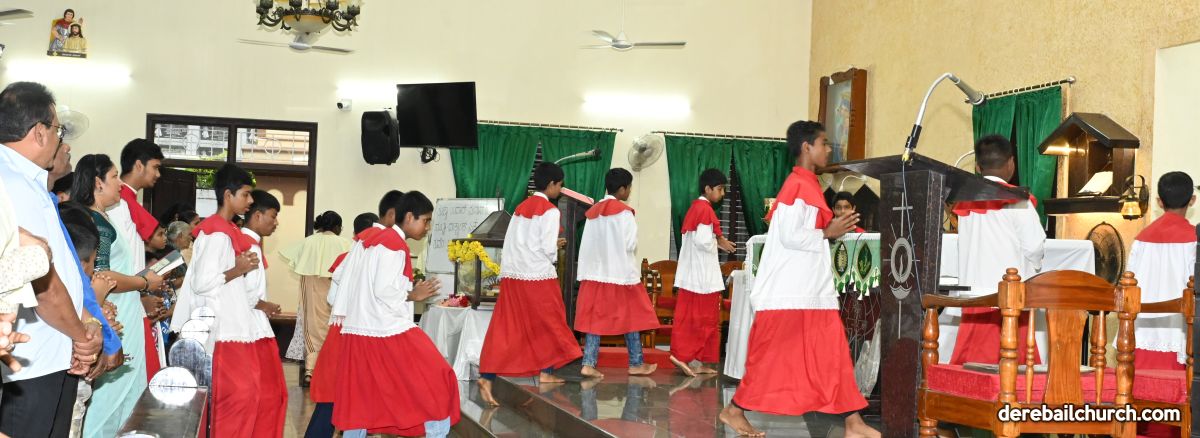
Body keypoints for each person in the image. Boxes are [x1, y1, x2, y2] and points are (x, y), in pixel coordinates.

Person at [719, 120, 877, 438]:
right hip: (786, 294)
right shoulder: (798, 185)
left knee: (834, 354)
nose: (828, 149)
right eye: (824, 143)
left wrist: (829, 232)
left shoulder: (807, 184)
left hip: (810, 292)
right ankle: (734, 410)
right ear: (807, 147)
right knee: (770, 358)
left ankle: (853, 422)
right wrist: (828, 232)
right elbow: (791, 235)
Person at [0, 81, 103, 437]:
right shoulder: (12, 183)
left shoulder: (28, 180)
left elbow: (63, 270)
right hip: (31, 362)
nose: (60, 139)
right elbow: (41, 282)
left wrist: (86, 323)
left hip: (51, 352)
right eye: (58, 130)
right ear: (40, 132)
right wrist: (81, 336)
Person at [333, 191, 460, 438]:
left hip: (360, 330)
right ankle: (436, 432)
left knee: (363, 399)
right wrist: (413, 294)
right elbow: (383, 289)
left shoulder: (375, 239)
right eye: (426, 220)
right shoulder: (393, 244)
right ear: (409, 217)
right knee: (438, 377)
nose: (427, 227)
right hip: (385, 329)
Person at [170, 164, 275, 437]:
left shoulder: (226, 230)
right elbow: (202, 283)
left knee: (243, 397)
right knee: (237, 399)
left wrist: (239, 269)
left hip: (232, 325)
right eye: (245, 194)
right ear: (228, 195)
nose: (250, 201)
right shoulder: (216, 233)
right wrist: (237, 270)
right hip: (220, 330)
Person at [71, 154, 162, 438]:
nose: (120, 184)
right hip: (115, 310)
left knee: (125, 391)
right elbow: (103, 276)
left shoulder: (102, 217)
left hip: (124, 308)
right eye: (114, 177)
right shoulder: (97, 221)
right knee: (111, 396)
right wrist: (143, 282)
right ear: (98, 183)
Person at [477, 163, 582, 406]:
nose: (560, 189)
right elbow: (547, 249)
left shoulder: (520, 208)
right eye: (560, 185)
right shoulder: (550, 211)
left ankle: (495, 375)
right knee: (551, 322)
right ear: (552, 184)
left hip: (513, 275)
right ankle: (544, 369)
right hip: (538, 276)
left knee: (508, 327)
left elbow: (513, 242)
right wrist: (556, 246)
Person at [948, 135, 1044, 366]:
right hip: (1008, 301)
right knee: (1013, 370)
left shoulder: (965, 200)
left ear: (978, 167)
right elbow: (1034, 246)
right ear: (1011, 163)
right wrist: (1035, 265)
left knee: (971, 370)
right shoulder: (1018, 199)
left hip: (974, 297)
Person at [305, 207, 387, 438]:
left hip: (341, 329)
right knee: (352, 394)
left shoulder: (346, 258)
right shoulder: (375, 257)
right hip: (361, 333)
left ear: (354, 233)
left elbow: (333, 299)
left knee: (334, 395)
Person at [574, 168, 660, 379]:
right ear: (622, 189)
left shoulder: (593, 212)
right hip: (620, 274)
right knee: (632, 317)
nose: (629, 191)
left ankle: (588, 363)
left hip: (594, 273)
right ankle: (636, 363)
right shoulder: (624, 212)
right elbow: (630, 244)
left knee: (594, 319)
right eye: (629, 187)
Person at [58, 201, 119, 438]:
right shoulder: (71, 283)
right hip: (68, 379)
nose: (93, 269)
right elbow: (79, 314)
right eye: (92, 262)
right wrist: (99, 302)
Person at [669, 168, 736, 376]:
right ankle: (682, 356)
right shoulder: (705, 210)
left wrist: (718, 240)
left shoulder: (697, 208)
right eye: (720, 189)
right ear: (707, 189)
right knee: (701, 320)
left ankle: (698, 361)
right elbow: (703, 242)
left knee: (699, 320)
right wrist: (719, 241)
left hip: (695, 275)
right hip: (701, 277)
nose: (722, 194)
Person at [112, 138, 167, 378]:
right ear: (138, 165)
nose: (158, 175)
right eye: (155, 167)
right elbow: (117, 261)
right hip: (122, 300)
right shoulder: (118, 203)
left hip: (133, 295)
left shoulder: (128, 201)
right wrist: (141, 288)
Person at [278, 210, 351, 383]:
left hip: (311, 284)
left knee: (311, 327)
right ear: (337, 227)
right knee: (334, 324)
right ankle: (332, 369)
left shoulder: (309, 241)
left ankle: (310, 370)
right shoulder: (346, 243)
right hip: (336, 286)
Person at [239, 189, 288, 437]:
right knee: (270, 395)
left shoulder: (239, 240)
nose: (275, 222)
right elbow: (246, 293)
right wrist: (264, 305)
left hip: (244, 325)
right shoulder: (250, 245)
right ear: (257, 216)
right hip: (253, 330)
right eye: (273, 215)